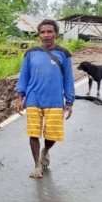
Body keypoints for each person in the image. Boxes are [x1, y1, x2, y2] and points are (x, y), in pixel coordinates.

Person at [15, 19, 75, 179]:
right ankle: (37, 165)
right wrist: (20, 96)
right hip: (33, 98)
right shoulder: (31, 53)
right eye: (43, 32)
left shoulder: (64, 54)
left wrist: (69, 101)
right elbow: (24, 76)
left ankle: (45, 151)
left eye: (50, 31)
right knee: (33, 133)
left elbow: (68, 79)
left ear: (56, 33)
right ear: (39, 34)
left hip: (55, 100)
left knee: (52, 135)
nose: (46, 35)